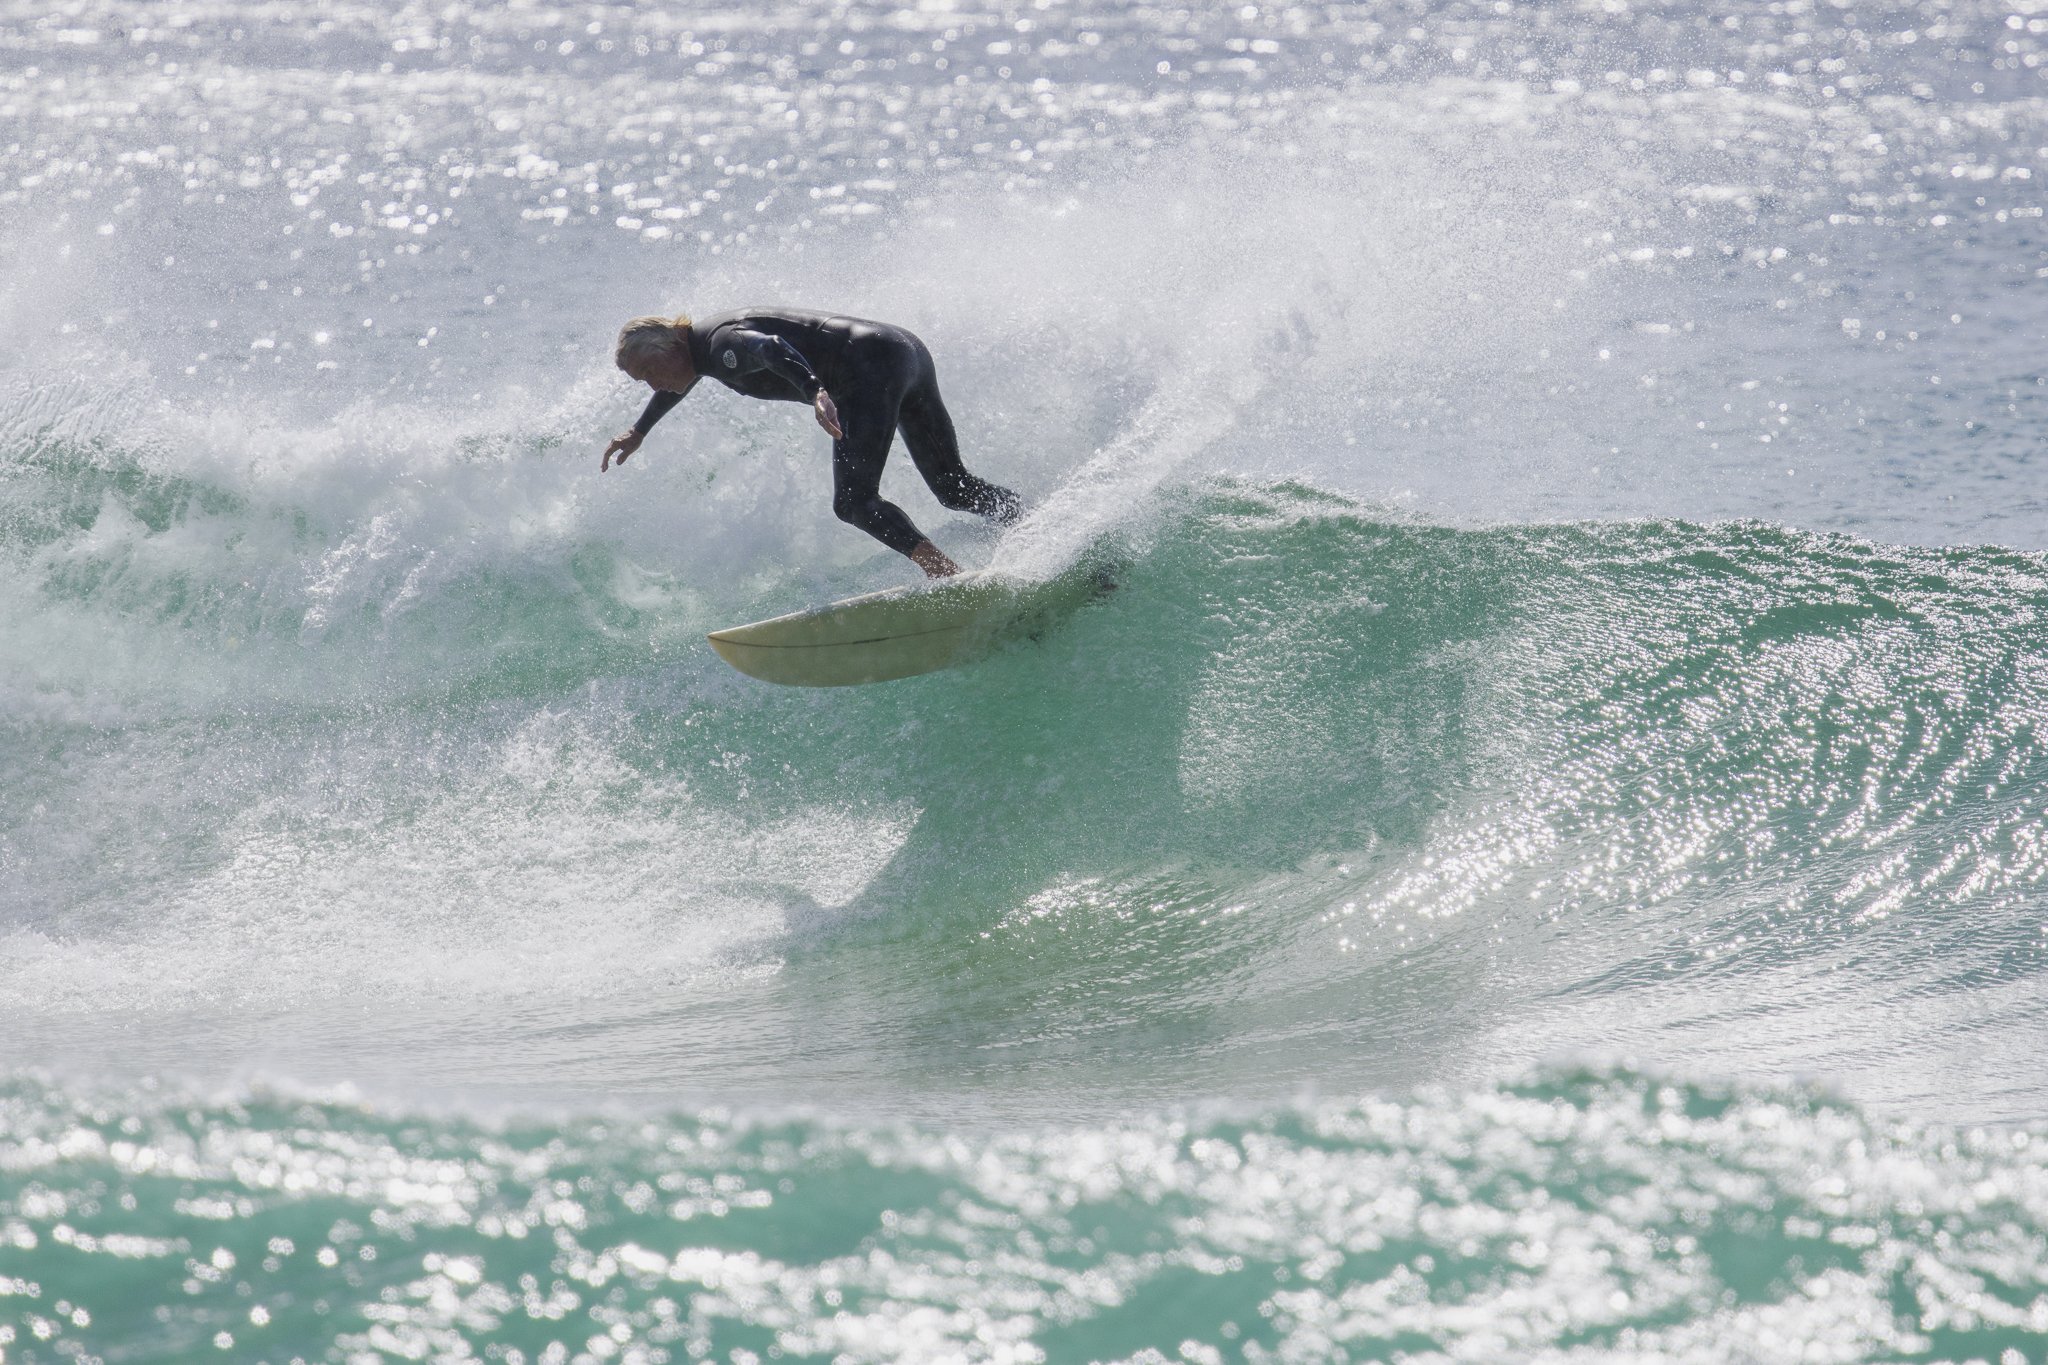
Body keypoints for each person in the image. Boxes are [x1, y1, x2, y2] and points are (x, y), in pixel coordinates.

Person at [602, 308, 1021, 578]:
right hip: (901, 352)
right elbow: (676, 385)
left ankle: (946, 574)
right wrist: (639, 431)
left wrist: (815, 391)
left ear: (672, 344)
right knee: (952, 486)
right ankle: (1033, 522)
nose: (652, 384)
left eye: (648, 372)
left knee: (854, 503)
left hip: (867, 370)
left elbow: (769, 348)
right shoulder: (701, 347)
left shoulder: (722, 344)